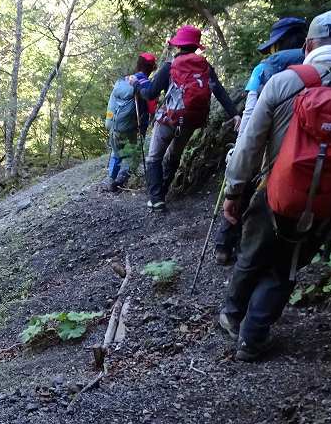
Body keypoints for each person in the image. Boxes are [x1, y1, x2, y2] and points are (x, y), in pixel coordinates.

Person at [217, 9, 331, 361]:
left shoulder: (284, 81)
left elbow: (249, 143)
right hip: (321, 198)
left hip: (271, 188)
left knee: (251, 252)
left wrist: (234, 190)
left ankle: (231, 315)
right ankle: (253, 337)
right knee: (286, 266)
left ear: (309, 44)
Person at [214, 17, 308, 265]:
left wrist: (240, 143)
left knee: (240, 190)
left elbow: (250, 110)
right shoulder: (313, 66)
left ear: (277, 44)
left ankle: (224, 247)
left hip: (262, 142)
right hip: (297, 147)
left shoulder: (264, 69)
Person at [131, 25, 240, 212]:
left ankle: (156, 199)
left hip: (168, 119)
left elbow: (150, 93)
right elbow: (219, 91)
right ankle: (163, 191)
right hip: (190, 121)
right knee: (175, 155)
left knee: (154, 158)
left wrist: (137, 85)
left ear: (178, 45)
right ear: (196, 46)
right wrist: (235, 114)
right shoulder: (205, 66)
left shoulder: (169, 66)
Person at [103, 53, 158, 192]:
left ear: (138, 64)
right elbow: (151, 108)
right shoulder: (145, 83)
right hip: (133, 126)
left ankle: (111, 177)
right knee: (132, 152)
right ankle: (121, 180)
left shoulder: (124, 80)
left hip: (115, 124)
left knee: (116, 151)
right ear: (151, 68)